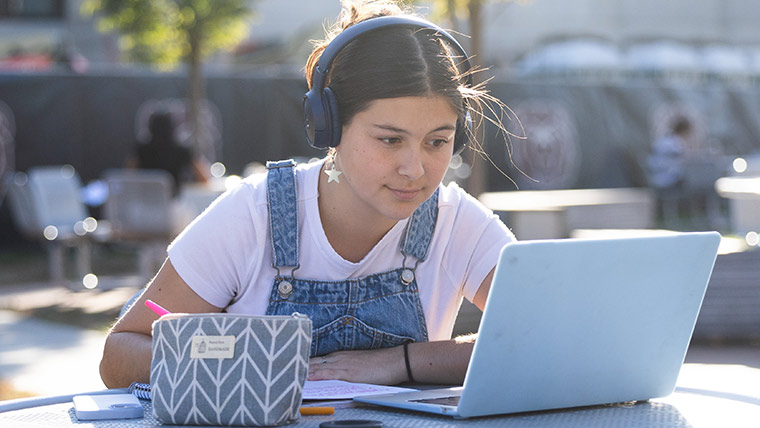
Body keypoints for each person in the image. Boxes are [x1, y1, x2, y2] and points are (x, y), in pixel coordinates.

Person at [100, 0, 515, 388]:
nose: (415, 169)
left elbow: (546, 335)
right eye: (390, 140)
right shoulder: (253, 213)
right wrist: (220, 359)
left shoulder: (457, 221)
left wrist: (397, 361)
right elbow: (120, 356)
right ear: (328, 127)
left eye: (437, 142)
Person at [127, 111, 210, 196]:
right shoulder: (182, 151)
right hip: (171, 203)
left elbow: (129, 176)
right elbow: (204, 178)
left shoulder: (141, 150)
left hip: (146, 202)